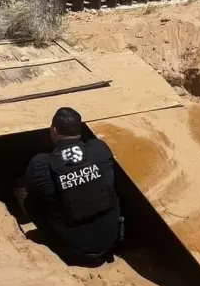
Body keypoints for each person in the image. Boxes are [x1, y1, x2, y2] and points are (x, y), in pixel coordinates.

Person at [14, 107, 122, 264]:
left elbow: (34, 195)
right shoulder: (99, 149)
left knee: (22, 189)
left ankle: (47, 237)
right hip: (110, 240)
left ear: (54, 130)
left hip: (71, 248)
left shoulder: (40, 163)